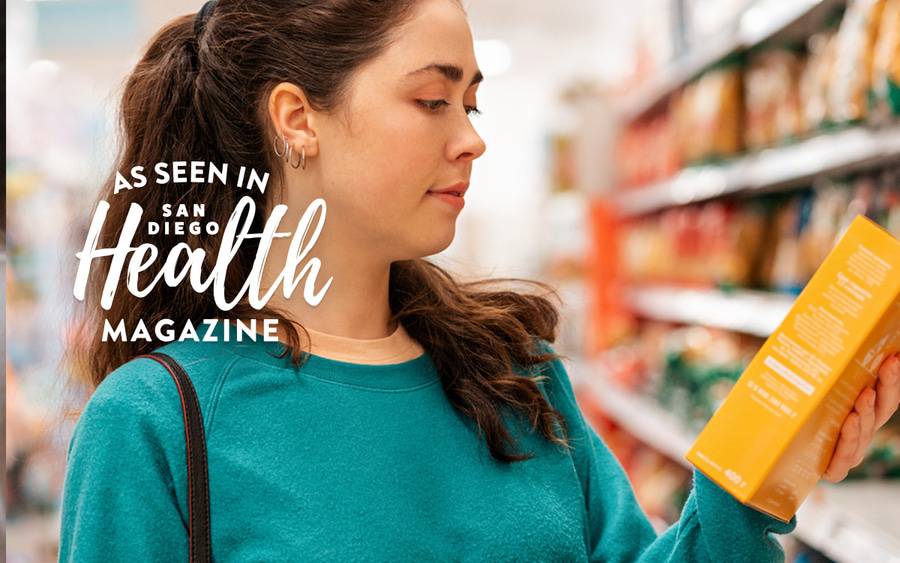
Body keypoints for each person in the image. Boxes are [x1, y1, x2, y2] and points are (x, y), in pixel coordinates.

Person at [57, 0, 900, 561]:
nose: (471, 139)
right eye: (433, 101)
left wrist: (756, 481)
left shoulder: (512, 373)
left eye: (474, 104)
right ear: (296, 120)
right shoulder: (155, 423)